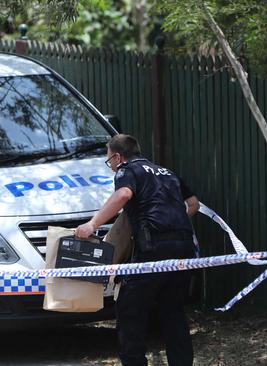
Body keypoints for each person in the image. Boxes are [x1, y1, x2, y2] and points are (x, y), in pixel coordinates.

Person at [76, 134, 199, 366]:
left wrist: (92, 225)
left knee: (130, 309)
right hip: (183, 248)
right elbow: (194, 204)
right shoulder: (166, 172)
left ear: (119, 157)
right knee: (173, 310)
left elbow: (123, 195)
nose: (110, 165)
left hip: (153, 249)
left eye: (109, 159)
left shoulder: (127, 171)